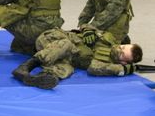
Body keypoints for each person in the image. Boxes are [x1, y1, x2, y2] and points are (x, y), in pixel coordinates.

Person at [12, 28, 143, 89]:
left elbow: (93, 68)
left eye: (121, 53)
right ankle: (25, 68)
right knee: (66, 45)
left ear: (123, 62)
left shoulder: (108, 62)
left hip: (67, 57)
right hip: (54, 38)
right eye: (123, 46)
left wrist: (121, 70)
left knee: (67, 69)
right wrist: (88, 31)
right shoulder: (108, 38)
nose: (119, 48)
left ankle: (40, 78)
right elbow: (87, 25)